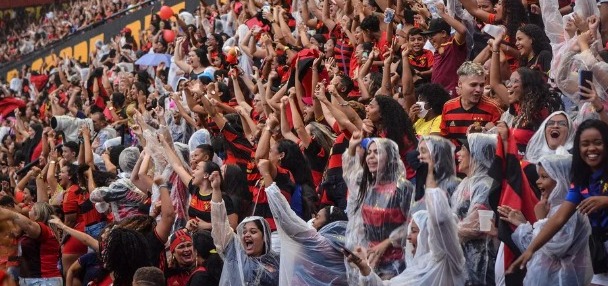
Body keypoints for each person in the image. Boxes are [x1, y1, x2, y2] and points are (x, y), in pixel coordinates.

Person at [509, 120, 608, 285]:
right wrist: (531, 249)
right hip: (601, 255)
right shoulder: (582, 181)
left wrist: (606, 201)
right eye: (585, 144)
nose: (591, 149)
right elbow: (559, 218)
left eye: (598, 143)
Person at [345, 155, 466, 285]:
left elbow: (441, 221)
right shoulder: (414, 270)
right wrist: (365, 269)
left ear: (430, 233)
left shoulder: (446, 261)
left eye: (414, 231)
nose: (407, 238)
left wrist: (431, 175)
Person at [499, 153, 592, 285]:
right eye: (539, 176)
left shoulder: (572, 212)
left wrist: (540, 220)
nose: (538, 181)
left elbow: (552, 249)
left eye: (544, 177)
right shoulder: (553, 208)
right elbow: (534, 251)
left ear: (561, 179)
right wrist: (522, 224)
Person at [260, 161, 349, 285]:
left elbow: (284, 216)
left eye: (317, 217)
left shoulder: (319, 243)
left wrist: (266, 174)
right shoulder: (346, 250)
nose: (312, 221)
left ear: (329, 224)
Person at [343, 132, 413, 280]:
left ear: (389, 158)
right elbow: (349, 173)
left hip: (397, 261)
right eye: (369, 153)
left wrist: (387, 243)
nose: (371, 157)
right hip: (371, 258)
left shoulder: (403, 188)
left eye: (377, 152)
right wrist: (352, 147)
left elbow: (413, 224)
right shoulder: (367, 186)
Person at [210, 171, 280, 285]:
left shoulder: (277, 261)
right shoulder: (234, 253)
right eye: (244, 232)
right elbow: (219, 223)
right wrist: (216, 190)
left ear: (264, 237)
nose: (246, 235)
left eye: (253, 232)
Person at [451, 133, 499, 285]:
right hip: (462, 257)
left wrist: (445, 233)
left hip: (480, 260)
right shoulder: (465, 183)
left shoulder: (485, 185)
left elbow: (477, 226)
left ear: (477, 154)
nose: (458, 153)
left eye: (463, 149)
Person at [0, 202, 62, 286]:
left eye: (32, 209)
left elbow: (28, 225)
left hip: (44, 280)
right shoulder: (31, 232)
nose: (29, 209)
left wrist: (10, 214)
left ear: (38, 214)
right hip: (31, 280)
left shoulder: (44, 229)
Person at [440, 61, 502, 144]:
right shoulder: (448, 107)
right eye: (473, 85)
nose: (478, 90)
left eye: (481, 85)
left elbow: (500, 143)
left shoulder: (493, 108)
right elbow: (444, 141)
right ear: (460, 84)